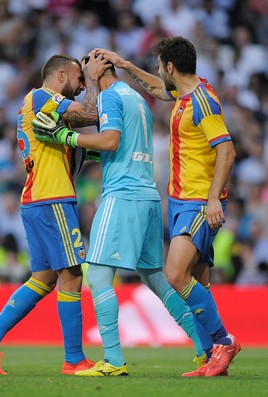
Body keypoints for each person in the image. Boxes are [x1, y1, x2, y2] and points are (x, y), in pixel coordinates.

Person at [32, 54, 207, 376]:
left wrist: (64, 137)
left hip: (122, 196)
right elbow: (122, 143)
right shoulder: (136, 98)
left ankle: (113, 361)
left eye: (84, 74)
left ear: (98, 68)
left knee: (98, 276)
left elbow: (111, 140)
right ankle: (205, 349)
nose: (83, 83)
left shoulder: (111, 96)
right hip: (149, 196)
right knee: (157, 279)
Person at [95, 37, 241, 377]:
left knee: (175, 274)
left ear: (171, 66)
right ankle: (211, 359)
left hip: (197, 201)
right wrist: (127, 65)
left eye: (162, 66)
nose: (160, 72)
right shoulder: (185, 94)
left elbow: (227, 151)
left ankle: (224, 342)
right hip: (179, 200)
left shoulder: (204, 101)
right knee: (199, 283)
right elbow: (161, 89)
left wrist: (212, 198)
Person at [0, 53, 109, 375]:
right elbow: (90, 111)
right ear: (61, 75)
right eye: (76, 79)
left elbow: (80, 136)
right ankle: (74, 359)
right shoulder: (44, 96)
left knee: (45, 278)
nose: (78, 86)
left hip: (37, 198)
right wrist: (92, 77)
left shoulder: (36, 105)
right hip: (53, 197)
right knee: (72, 275)